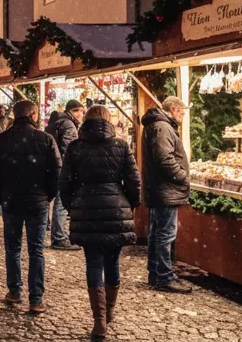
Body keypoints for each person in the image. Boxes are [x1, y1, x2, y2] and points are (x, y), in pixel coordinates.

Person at [60, 105, 141, 340]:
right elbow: (133, 181)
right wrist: (129, 205)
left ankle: (99, 321)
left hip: (86, 210)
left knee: (93, 263)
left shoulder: (76, 148)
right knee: (113, 262)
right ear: (108, 121)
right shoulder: (120, 145)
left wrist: (74, 205)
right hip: (116, 211)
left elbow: (65, 182)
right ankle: (110, 311)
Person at [0, 100, 61, 312]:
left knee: (13, 248)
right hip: (37, 201)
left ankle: (14, 290)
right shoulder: (45, 139)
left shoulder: (2, 140)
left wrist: (1, 196)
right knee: (36, 250)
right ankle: (36, 298)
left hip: (12, 200)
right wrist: (47, 195)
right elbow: (57, 172)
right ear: (33, 114)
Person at [141, 96, 192, 294]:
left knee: (157, 232)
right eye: (182, 112)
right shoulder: (162, 127)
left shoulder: (156, 125)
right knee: (165, 234)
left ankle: (156, 273)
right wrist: (182, 176)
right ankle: (164, 276)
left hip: (159, 189)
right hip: (166, 189)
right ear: (173, 109)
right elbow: (164, 159)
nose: (182, 116)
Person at [44, 99, 86, 251]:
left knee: (50, 202)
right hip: (62, 168)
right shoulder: (69, 125)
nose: (81, 114)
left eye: (82, 111)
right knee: (61, 203)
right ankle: (59, 237)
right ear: (72, 111)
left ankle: (50, 235)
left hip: (51, 167)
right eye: (79, 111)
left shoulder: (54, 122)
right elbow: (70, 149)